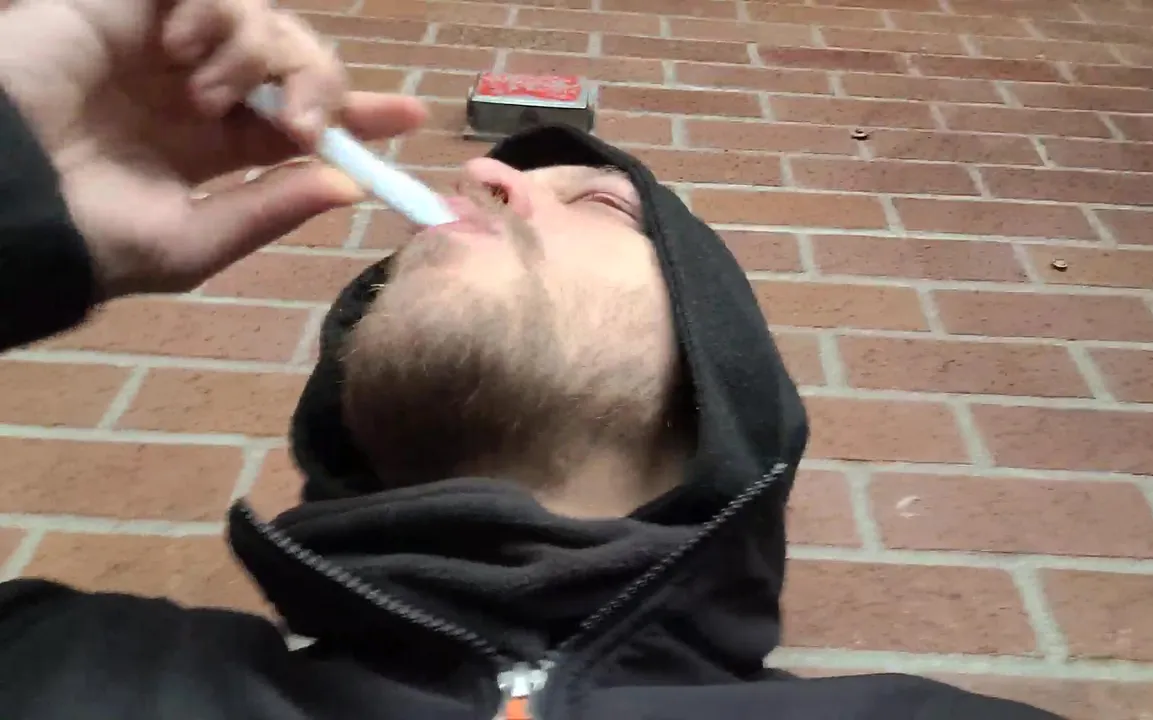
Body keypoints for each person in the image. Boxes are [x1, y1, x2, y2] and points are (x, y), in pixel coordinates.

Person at [0, 1, 1066, 718]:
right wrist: (19, 169)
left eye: (596, 201)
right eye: (481, 187)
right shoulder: (59, 672)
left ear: (722, 372)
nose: (482, 178)